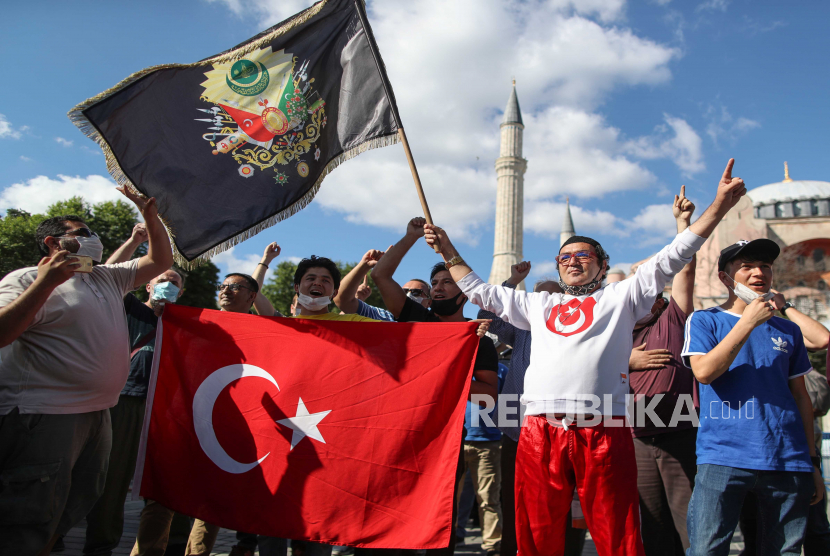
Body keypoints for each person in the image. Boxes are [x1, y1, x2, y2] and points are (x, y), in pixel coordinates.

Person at [422, 159, 749, 556]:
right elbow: (479, 291)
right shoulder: (537, 303)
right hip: (539, 429)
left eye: (583, 255)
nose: (573, 260)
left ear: (603, 265)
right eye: (564, 257)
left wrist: (718, 207)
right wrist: (447, 248)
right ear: (558, 268)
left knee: (618, 533)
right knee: (537, 532)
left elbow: (675, 255)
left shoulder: (622, 296)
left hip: (605, 429)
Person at [0, 185, 173, 556]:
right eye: (82, 233)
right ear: (53, 242)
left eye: (92, 232)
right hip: (44, 414)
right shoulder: (25, 278)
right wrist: (47, 283)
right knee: (29, 515)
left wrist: (151, 218)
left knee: (72, 506)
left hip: (98, 416)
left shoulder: (107, 277)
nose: (92, 238)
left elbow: (159, 261)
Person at [682, 239, 825, 555]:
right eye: (746, 266)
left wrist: (811, 461)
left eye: (765, 266)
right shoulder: (706, 320)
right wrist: (747, 322)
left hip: (787, 459)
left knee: (783, 550)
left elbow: (801, 397)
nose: (758, 273)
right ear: (725, 277)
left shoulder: (788, 332)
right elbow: (704, 372)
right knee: (707, 549)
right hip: (723, 457)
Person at [371, 217, 500, 556]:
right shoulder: (417, 318)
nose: (439, 287)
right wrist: (410, 237)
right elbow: (380, 277)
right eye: (435, 282)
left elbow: (488, 395)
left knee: (440, 518)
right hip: (401, 433)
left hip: (448, 443)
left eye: (447, 282)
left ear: (465, 294)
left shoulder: (478, 341)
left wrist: (453, 375)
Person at [131, 273, 262, 556]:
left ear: (252, 297)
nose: (226, 290)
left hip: (229, 422)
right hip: (184, 417)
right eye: (223, 286)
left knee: (211, 496)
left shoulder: (264, 331)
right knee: (162, 491)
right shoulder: (195, 321)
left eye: (236, 287)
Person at [84, 224, 185, 556]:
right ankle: (100, 545)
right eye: (163, 279)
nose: (169, 285)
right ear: (147, 284)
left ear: (181, 293)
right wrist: (134, 242)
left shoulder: (187, 325)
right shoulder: (130, 309)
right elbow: (106, 275)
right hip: (127, 401)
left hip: (165, 411)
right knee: (112, 480)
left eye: (175, 283)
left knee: (163, 485)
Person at [475, 267, 587, 556]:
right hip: (518, 430)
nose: (545, 299)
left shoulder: (577, 330)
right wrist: (511, 283)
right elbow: (487, 315)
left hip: (567, 431)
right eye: (539, 294)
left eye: (552, 294)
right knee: (517, 503)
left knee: (567, 506)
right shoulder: (522, 327)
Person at [627, 186, 698, 556]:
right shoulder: (618, 331)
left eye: (650, 283)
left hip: (678, 433)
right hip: (636, 437)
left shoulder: (673, 316)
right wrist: (627, 360)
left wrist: (682, 225)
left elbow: (685, 272)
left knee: (691, 526)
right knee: (652, 528)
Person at [736, 291, 830, 556]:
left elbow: (822, 338)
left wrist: (785, 306)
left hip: (798, 446)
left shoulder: (786, 331)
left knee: (813, 527)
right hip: (752, 447)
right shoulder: (731, 326)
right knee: (756, 531)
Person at [333, 249, 395, 321]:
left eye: (411, 291)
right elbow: (342, 300)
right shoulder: (385, 317)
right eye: (405, 290)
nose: (408, 294)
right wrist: (365, 265)